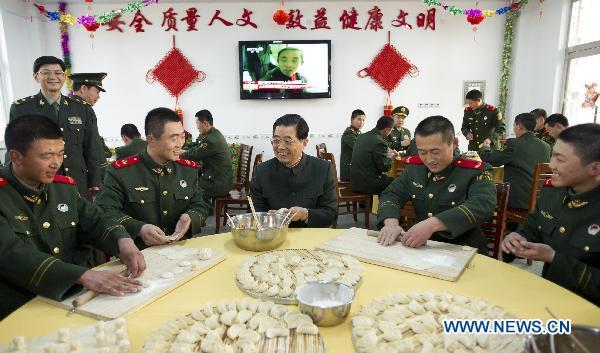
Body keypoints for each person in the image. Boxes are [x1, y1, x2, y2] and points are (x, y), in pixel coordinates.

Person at [0, 114, 145, 320]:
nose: (56, 163)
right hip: (22, 307)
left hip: (72, 299)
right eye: (46, 156)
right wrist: (81, 275)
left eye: (60, 154)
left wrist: (122, 240)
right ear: (16, 157)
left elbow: (94, 220)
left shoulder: (62, 188)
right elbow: (11, 254)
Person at [501, 124, 600, 305]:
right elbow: (533, 228)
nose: (551, 165)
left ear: (595, 168)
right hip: (548, 300)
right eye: (552, 155)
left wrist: (553, 258)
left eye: (560, 160)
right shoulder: (552, 192)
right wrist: (516, 239)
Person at [378, 116, 497, 253]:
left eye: (435, 152)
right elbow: (391, 194)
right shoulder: (415, 169)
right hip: (421, 246)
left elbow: (483, 204)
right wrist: (391, 222)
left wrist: (433, 224)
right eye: (422, 152)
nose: (428, 159)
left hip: (463, 248)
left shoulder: (473, 171)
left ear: (454, 143)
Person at [96, 108, 210, 249]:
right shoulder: (121, 172)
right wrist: (139, 228)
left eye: (182, 136)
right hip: (139, 253)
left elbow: (200, 204)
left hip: (181, 251)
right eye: (174, 138)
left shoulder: (188, 170)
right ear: (151, 140)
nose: (181, 144)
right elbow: (105, 211)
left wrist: (190, 217)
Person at [8, 57, 105, 200]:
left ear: (64, 77)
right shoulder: (22, 108)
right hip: (38, 184)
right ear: (36, 77)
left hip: (77, 183)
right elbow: (15, 147)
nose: (53, 77)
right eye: (46, 72)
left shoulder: (81, 108)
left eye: (58, 73)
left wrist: (95, 182)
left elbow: (93, 147)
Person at [250, 114, 336, 228]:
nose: (280, 147)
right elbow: (254, 211)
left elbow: (331, 213)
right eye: (276, 140)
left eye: (287, 141)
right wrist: (268, 217)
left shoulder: (323, 169)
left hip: (311, 236)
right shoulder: (261, 172)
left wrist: (305, 214)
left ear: (304, 143)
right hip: (274, 237)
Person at [479, 113, 551, 210]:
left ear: (519, 126)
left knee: (484, 193)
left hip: (518, 200)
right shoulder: (546, 146)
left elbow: (490, 159)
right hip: (538, 200)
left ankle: (492, 224)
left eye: (514, 126)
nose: (514, 129)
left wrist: (485, 147)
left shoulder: (514, 144)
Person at [181, 110, 233, 201]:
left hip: (217, 183)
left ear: (205, 123)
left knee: (188, 186)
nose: (197, 127)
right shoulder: (209, 134)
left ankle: (198, 210)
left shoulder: (212, 139)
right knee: (189, 181)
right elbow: (195, 146)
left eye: (197, 124)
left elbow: (195, 155)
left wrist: (179, 153)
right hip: (216, 177)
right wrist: (182, 150)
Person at [350, 116, 396, 195]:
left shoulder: (361, 136)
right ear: (387, 130)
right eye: (391, 130)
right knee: (396, 182)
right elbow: (385, 168)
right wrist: (390, 157)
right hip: (367, 184)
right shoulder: (379, 142)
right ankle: (384, 206)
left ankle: (365, 203)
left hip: (355, 182)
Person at [339, 109, 365, 181]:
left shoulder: (357, 132)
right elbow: (361, 148)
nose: (361, 122)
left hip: (354, 168)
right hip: (349, 172)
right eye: (359, 119)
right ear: (352, 119)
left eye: (363, 120)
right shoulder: (349, 134)